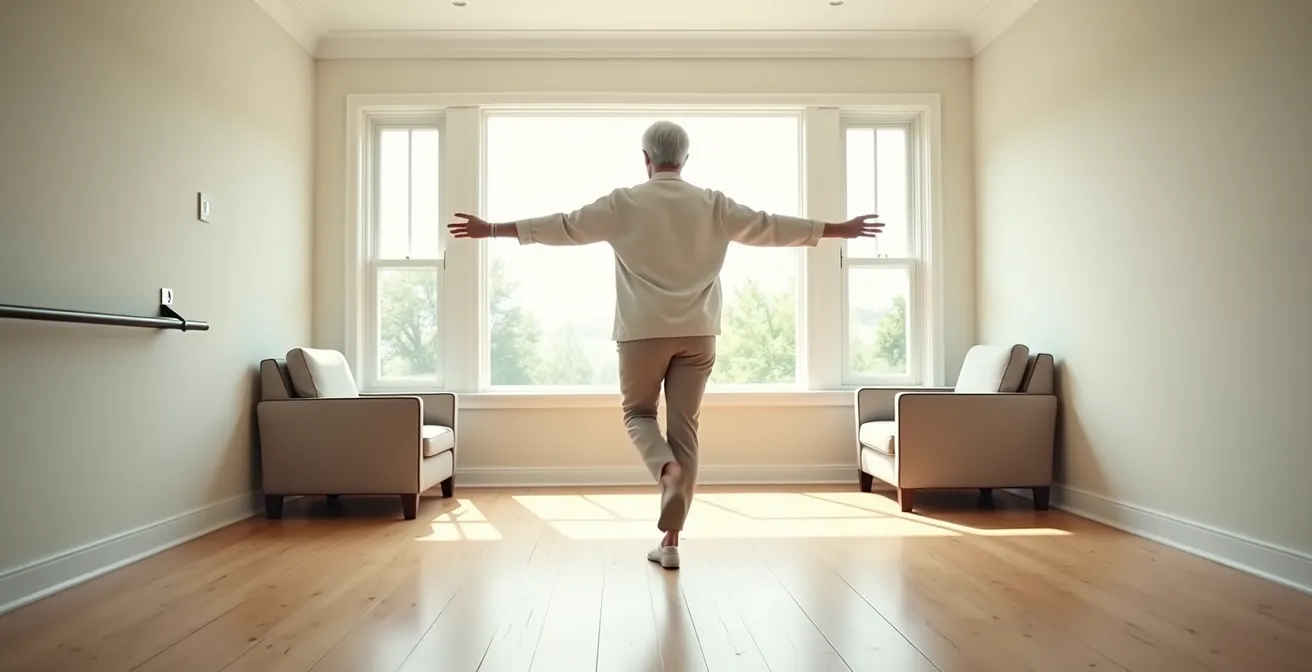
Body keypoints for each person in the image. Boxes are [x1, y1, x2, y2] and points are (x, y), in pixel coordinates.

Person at [448, 120, 883, 569]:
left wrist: (492, 228)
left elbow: (564, 226)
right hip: (698, 333)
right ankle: (671, 542)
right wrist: (839, 229)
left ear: (646, 158)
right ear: (686, 159)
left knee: (638, 414)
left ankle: (664, 470)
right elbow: (769, 226)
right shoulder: (713, 204)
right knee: (686, 431)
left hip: (641, 333)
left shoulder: (623, 203)